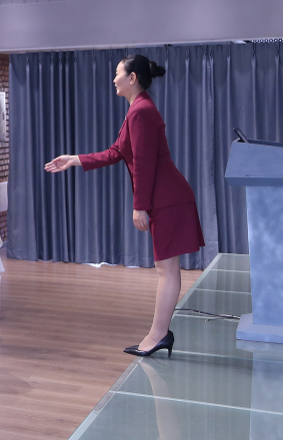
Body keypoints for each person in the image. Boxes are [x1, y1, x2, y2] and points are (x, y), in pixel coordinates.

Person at [45, 54, 202, 357]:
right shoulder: (138, 108)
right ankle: (158, 334)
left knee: (167, 270)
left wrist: (139, 206)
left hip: (168, 199)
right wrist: (74, 160)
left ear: (132, 78)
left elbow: (143, 162)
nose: (114, 79)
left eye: (118, 73)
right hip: (168, 197)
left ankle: (158, 335)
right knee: (167, 270)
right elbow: (116, 152)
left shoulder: (141, 111)